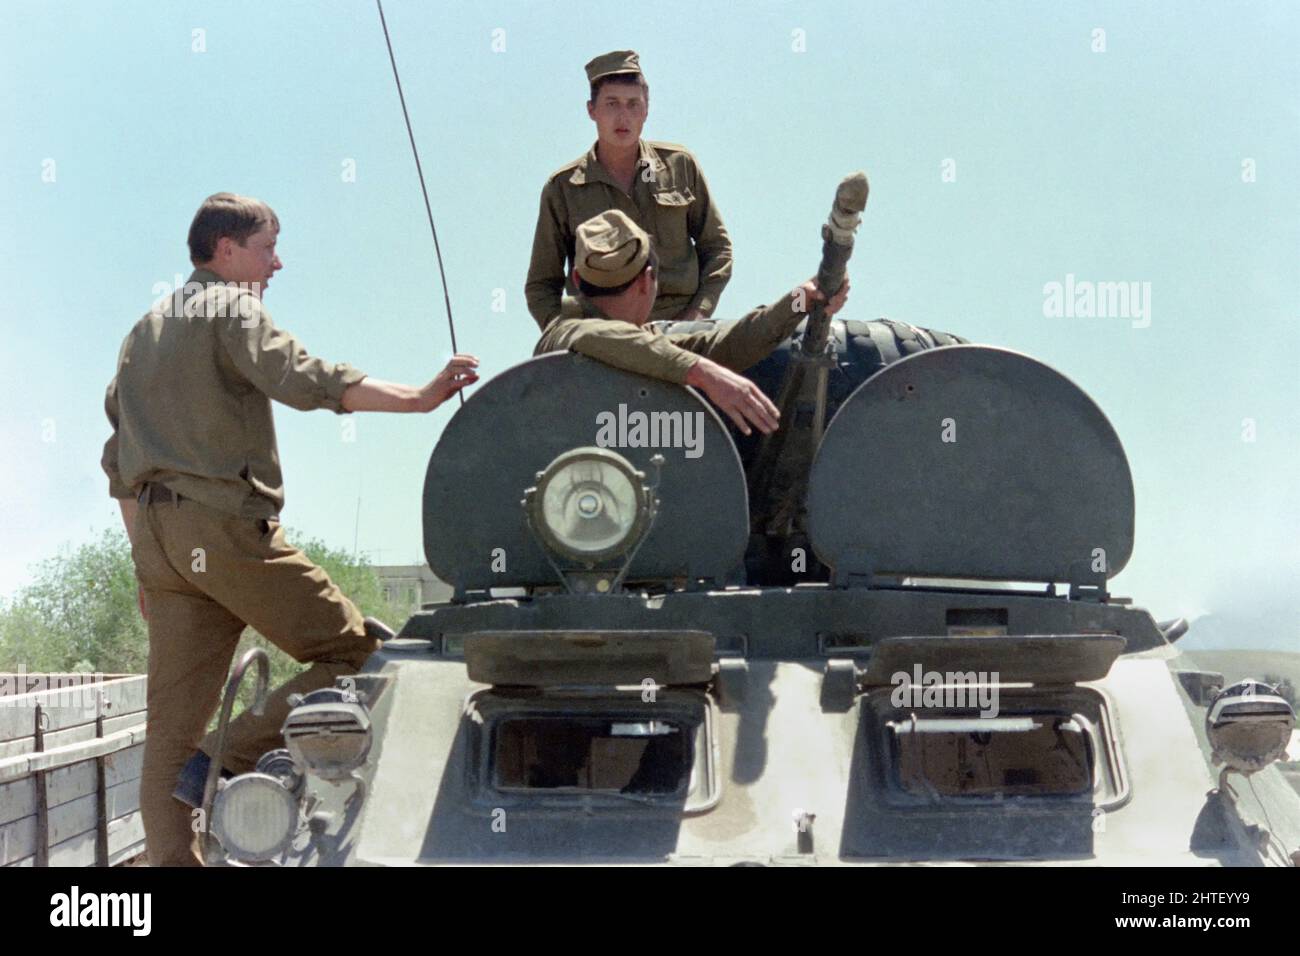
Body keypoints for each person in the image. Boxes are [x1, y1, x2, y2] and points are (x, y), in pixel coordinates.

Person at [100, 192, 479, 865]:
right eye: (267, 248)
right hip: (223, 533)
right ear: (225, 249)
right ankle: (227, 754)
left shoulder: (143, 331)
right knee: (357, 651)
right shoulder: (230, 306)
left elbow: (116, 460)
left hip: (162, 544)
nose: (277, 264)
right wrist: (419, 399)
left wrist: (147, 567)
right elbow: (302, 377)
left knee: (168, 739)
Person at [535, 210, 848, 436]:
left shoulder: (644, 345)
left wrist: (799, 300)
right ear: (647, 281)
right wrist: (703, 373)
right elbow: (600, 337)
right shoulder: (566, 331)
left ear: (577, 279)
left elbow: (726, 343)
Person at [525, 50, 733, 332]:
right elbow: (541, 285)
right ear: (591, 110)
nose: (623, 116)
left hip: (680, 327)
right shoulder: (564, 188)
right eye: (612, 104)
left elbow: (717, 249)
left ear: (646, 110)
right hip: (602, 336)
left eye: (633, 104)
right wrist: (568, 335)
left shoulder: (679, 165)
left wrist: (697, 316)